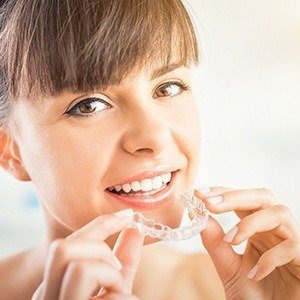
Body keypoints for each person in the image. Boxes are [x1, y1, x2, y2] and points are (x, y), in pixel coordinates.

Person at [0, 0, 299, 299]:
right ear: (11, 151)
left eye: (168, 87)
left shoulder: (251, 286)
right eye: (89, 105)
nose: (155, 136)